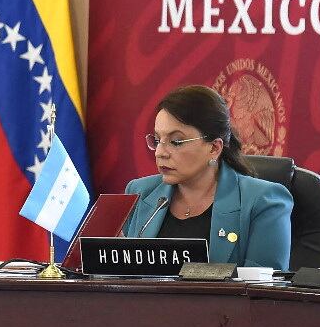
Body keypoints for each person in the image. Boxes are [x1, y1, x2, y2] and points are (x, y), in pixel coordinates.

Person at [124, 84, 291, 270]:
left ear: (214, 148)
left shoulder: (263, 201)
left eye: (176, 141)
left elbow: (262, 292)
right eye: (157, 140)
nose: (160, 153)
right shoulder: (139, 193)